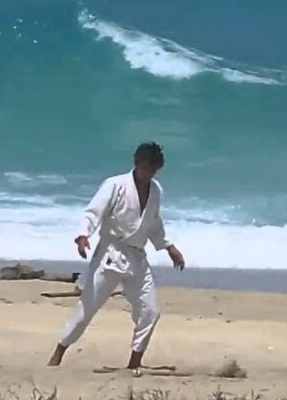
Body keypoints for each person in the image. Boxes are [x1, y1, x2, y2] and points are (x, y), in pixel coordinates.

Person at [47, 141, 185, 374]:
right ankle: (58, 353)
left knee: (150, 310)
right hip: (109, 255)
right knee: (87, 309)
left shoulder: (156, 190)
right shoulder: (115, 184)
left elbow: (153, 222)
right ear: (137, 163)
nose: (148, 172)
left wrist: (167, 246)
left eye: (153, 168)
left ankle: (134, 362)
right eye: (145, 166)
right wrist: (83, 235)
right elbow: (93, 212)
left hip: (137, 258)